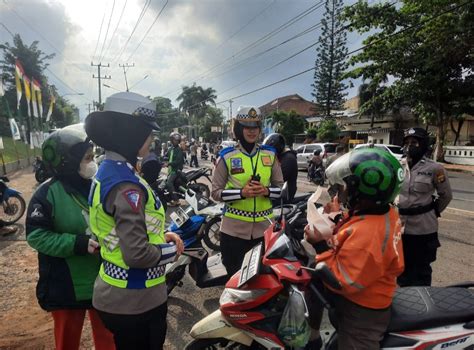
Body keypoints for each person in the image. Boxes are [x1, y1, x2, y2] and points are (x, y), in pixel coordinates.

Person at [84, 92, 184, 350]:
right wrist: (173, 250)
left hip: (118, 293)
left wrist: (162, 237)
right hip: (135, 299)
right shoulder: (125, 184)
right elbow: (137, 254)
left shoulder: (109, 171)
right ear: (130, 133)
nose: (152, 139)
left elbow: (122, 231)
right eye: (147, 133)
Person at [304, 147, 405, 349]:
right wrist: (338, 216)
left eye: (346, 188)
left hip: (363, 310)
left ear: (363, 191)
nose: (341, 193)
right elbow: (355, 227)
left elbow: (342, 281)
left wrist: (320, 246)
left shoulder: (369, 235)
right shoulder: (383, 213)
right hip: (367, 291)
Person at [25, 124, 115, 350]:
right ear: (67, 161)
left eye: (93, 156)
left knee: (108, 339)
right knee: (67, 341)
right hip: (65, 283)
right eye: (87, 158)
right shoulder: (46, 194)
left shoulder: (97, 186)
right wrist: (76, 244)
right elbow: (36, 236)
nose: (93, 162)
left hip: (102, 280)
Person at [211, 106, 284, 277]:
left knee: (261, 281)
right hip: (233, 233)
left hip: (264, 231)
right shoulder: (227, 156)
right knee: (235, 281)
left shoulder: (270, 155)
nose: (252, 131)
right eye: (247, 127)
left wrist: (265, 190)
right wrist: (241, 193)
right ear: (239, 129)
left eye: (255, 127)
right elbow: (215, 193)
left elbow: (281, 189)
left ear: (260, 129)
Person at [397, 127, 452, 287]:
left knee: (421, 271)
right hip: (400, 227)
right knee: (401, 268)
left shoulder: (435, 169)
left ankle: (423, 307)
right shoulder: (398, 165)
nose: (409, 146)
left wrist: (432, 212)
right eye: (407, 142)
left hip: (423, 228)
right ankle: (404, 304)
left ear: (423, 144)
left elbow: (446, 195)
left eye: (414, 142)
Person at [263, 133, 298, 203]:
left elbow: (279, 178)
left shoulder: (288, 158)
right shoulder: (281, 157)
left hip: (284, 198)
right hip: (278, 195)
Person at [165, 132, 185, 206]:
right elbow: (166, 156)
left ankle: (176, 200)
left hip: (176, 170)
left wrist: (168, 163)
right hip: (171, 170)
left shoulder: (179, 150)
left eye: (176, 140)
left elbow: (178, 161)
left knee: (169, 183)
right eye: (173, 140)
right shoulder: (171, 149)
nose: (175, 141)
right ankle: (170, 198)